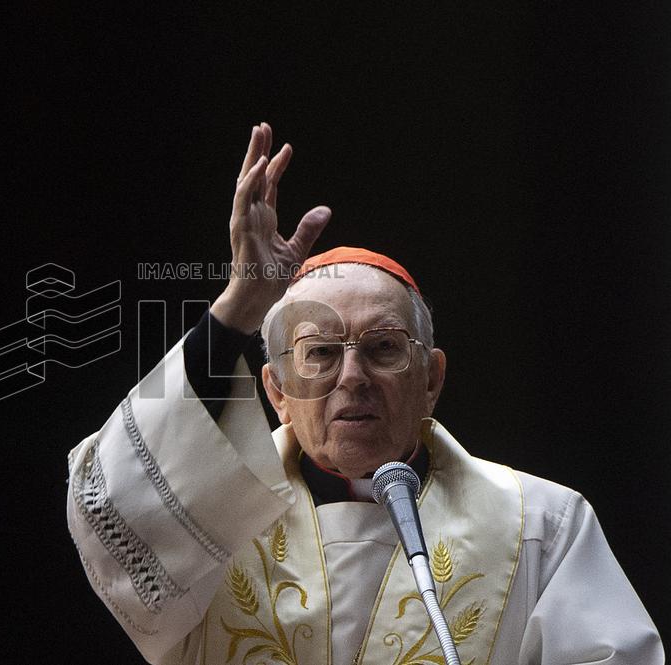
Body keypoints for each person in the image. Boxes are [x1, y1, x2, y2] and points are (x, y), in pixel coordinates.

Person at [65, 123, 664, 664]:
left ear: (430, 380)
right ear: (277, 391)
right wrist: (239, 307)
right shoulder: (207, 522)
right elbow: (109, 511)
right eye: (321, 353)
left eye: (383, 347)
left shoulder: (541, 527)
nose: (352, 376)